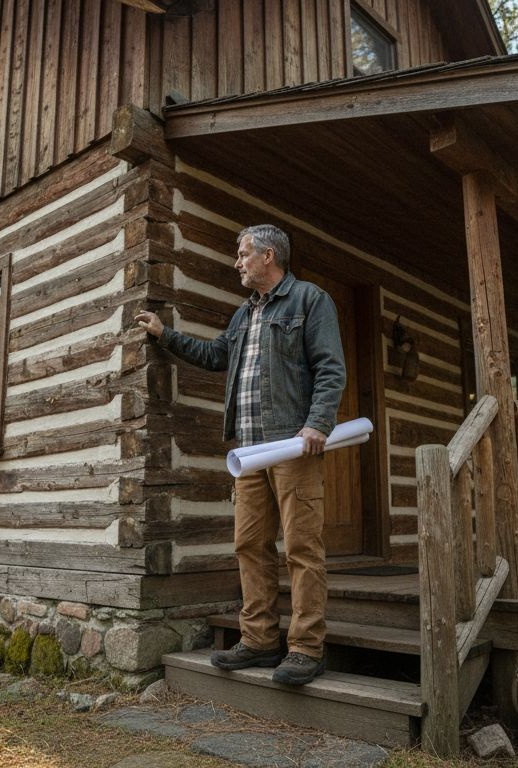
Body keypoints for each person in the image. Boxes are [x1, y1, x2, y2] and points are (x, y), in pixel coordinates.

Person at [135, 224, 346, 685]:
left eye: (243, 253)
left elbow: (331, 368)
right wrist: (164, 335)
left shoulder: (310, 300)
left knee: (302, 548)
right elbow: (215, 356)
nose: (237, 262)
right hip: (249, 453)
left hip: (292, 445)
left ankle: (307, 648)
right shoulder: (243, 315)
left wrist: (318, 423)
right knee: (250, 545)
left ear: (269, 256)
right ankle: (260, 641)